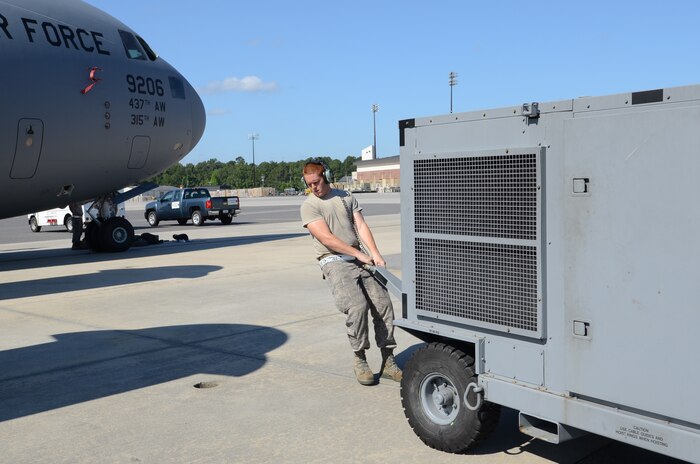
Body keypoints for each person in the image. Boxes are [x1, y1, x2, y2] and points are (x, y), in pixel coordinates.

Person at [300, 160, 402, 386]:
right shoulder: (309, 205)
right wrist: (359, 255)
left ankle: (388, 360)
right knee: (357, 306)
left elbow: (362, 226)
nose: (313, 188)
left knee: (383, 304)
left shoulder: (346, 197)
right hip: (333, 260)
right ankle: (360, 358)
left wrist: (375, 254)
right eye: (309, 184)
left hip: (358, 257)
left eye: (316, 183)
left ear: (325, 176)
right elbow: (326, 238)